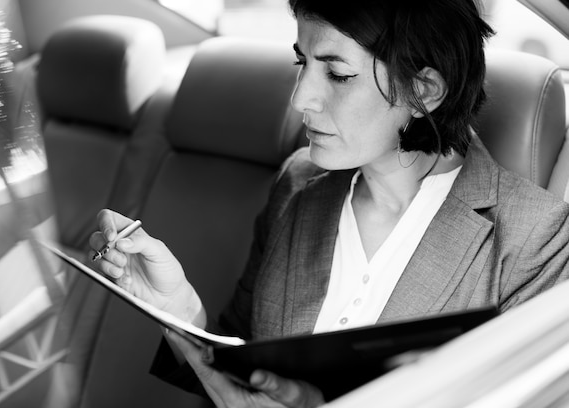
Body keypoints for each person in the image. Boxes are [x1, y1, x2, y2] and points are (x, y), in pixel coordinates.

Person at [89, 0, 569, 406]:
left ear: (423, 91)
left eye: (337, 74)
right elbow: (242, 369)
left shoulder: (534, 240)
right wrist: (180, 314)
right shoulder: (297, 185)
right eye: (303, 62)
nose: (302, 98)